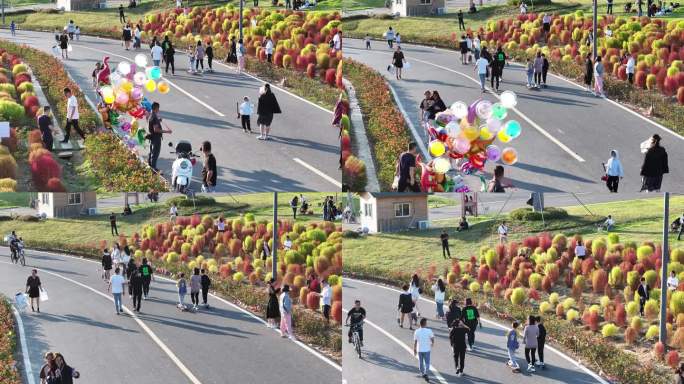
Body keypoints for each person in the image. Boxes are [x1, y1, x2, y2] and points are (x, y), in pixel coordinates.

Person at [147, 102, 171, 171]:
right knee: (155, 153)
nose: (159, 110)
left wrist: (158, 121)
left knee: (152, 152)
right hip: (156, 138)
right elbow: (156, 130)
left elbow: (153, 124)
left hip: (152, 137)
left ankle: (150, 166)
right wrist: (167, 131)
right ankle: (153, 169)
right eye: (158, 108)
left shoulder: (151, 115)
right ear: (156, 108)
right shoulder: (154, 117)